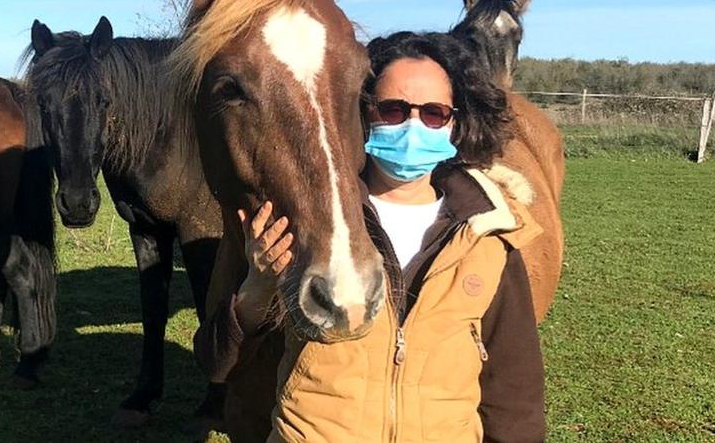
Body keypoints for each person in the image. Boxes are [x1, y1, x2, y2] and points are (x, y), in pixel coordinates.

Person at [195, 31, 547, 442]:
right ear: (362, 114)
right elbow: (219, 366)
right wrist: (256, 289)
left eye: (433, 113)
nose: (412, 126)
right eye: (393, 110)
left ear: (454, 124)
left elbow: (514, 390)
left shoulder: (490, 234)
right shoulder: (299, 221)